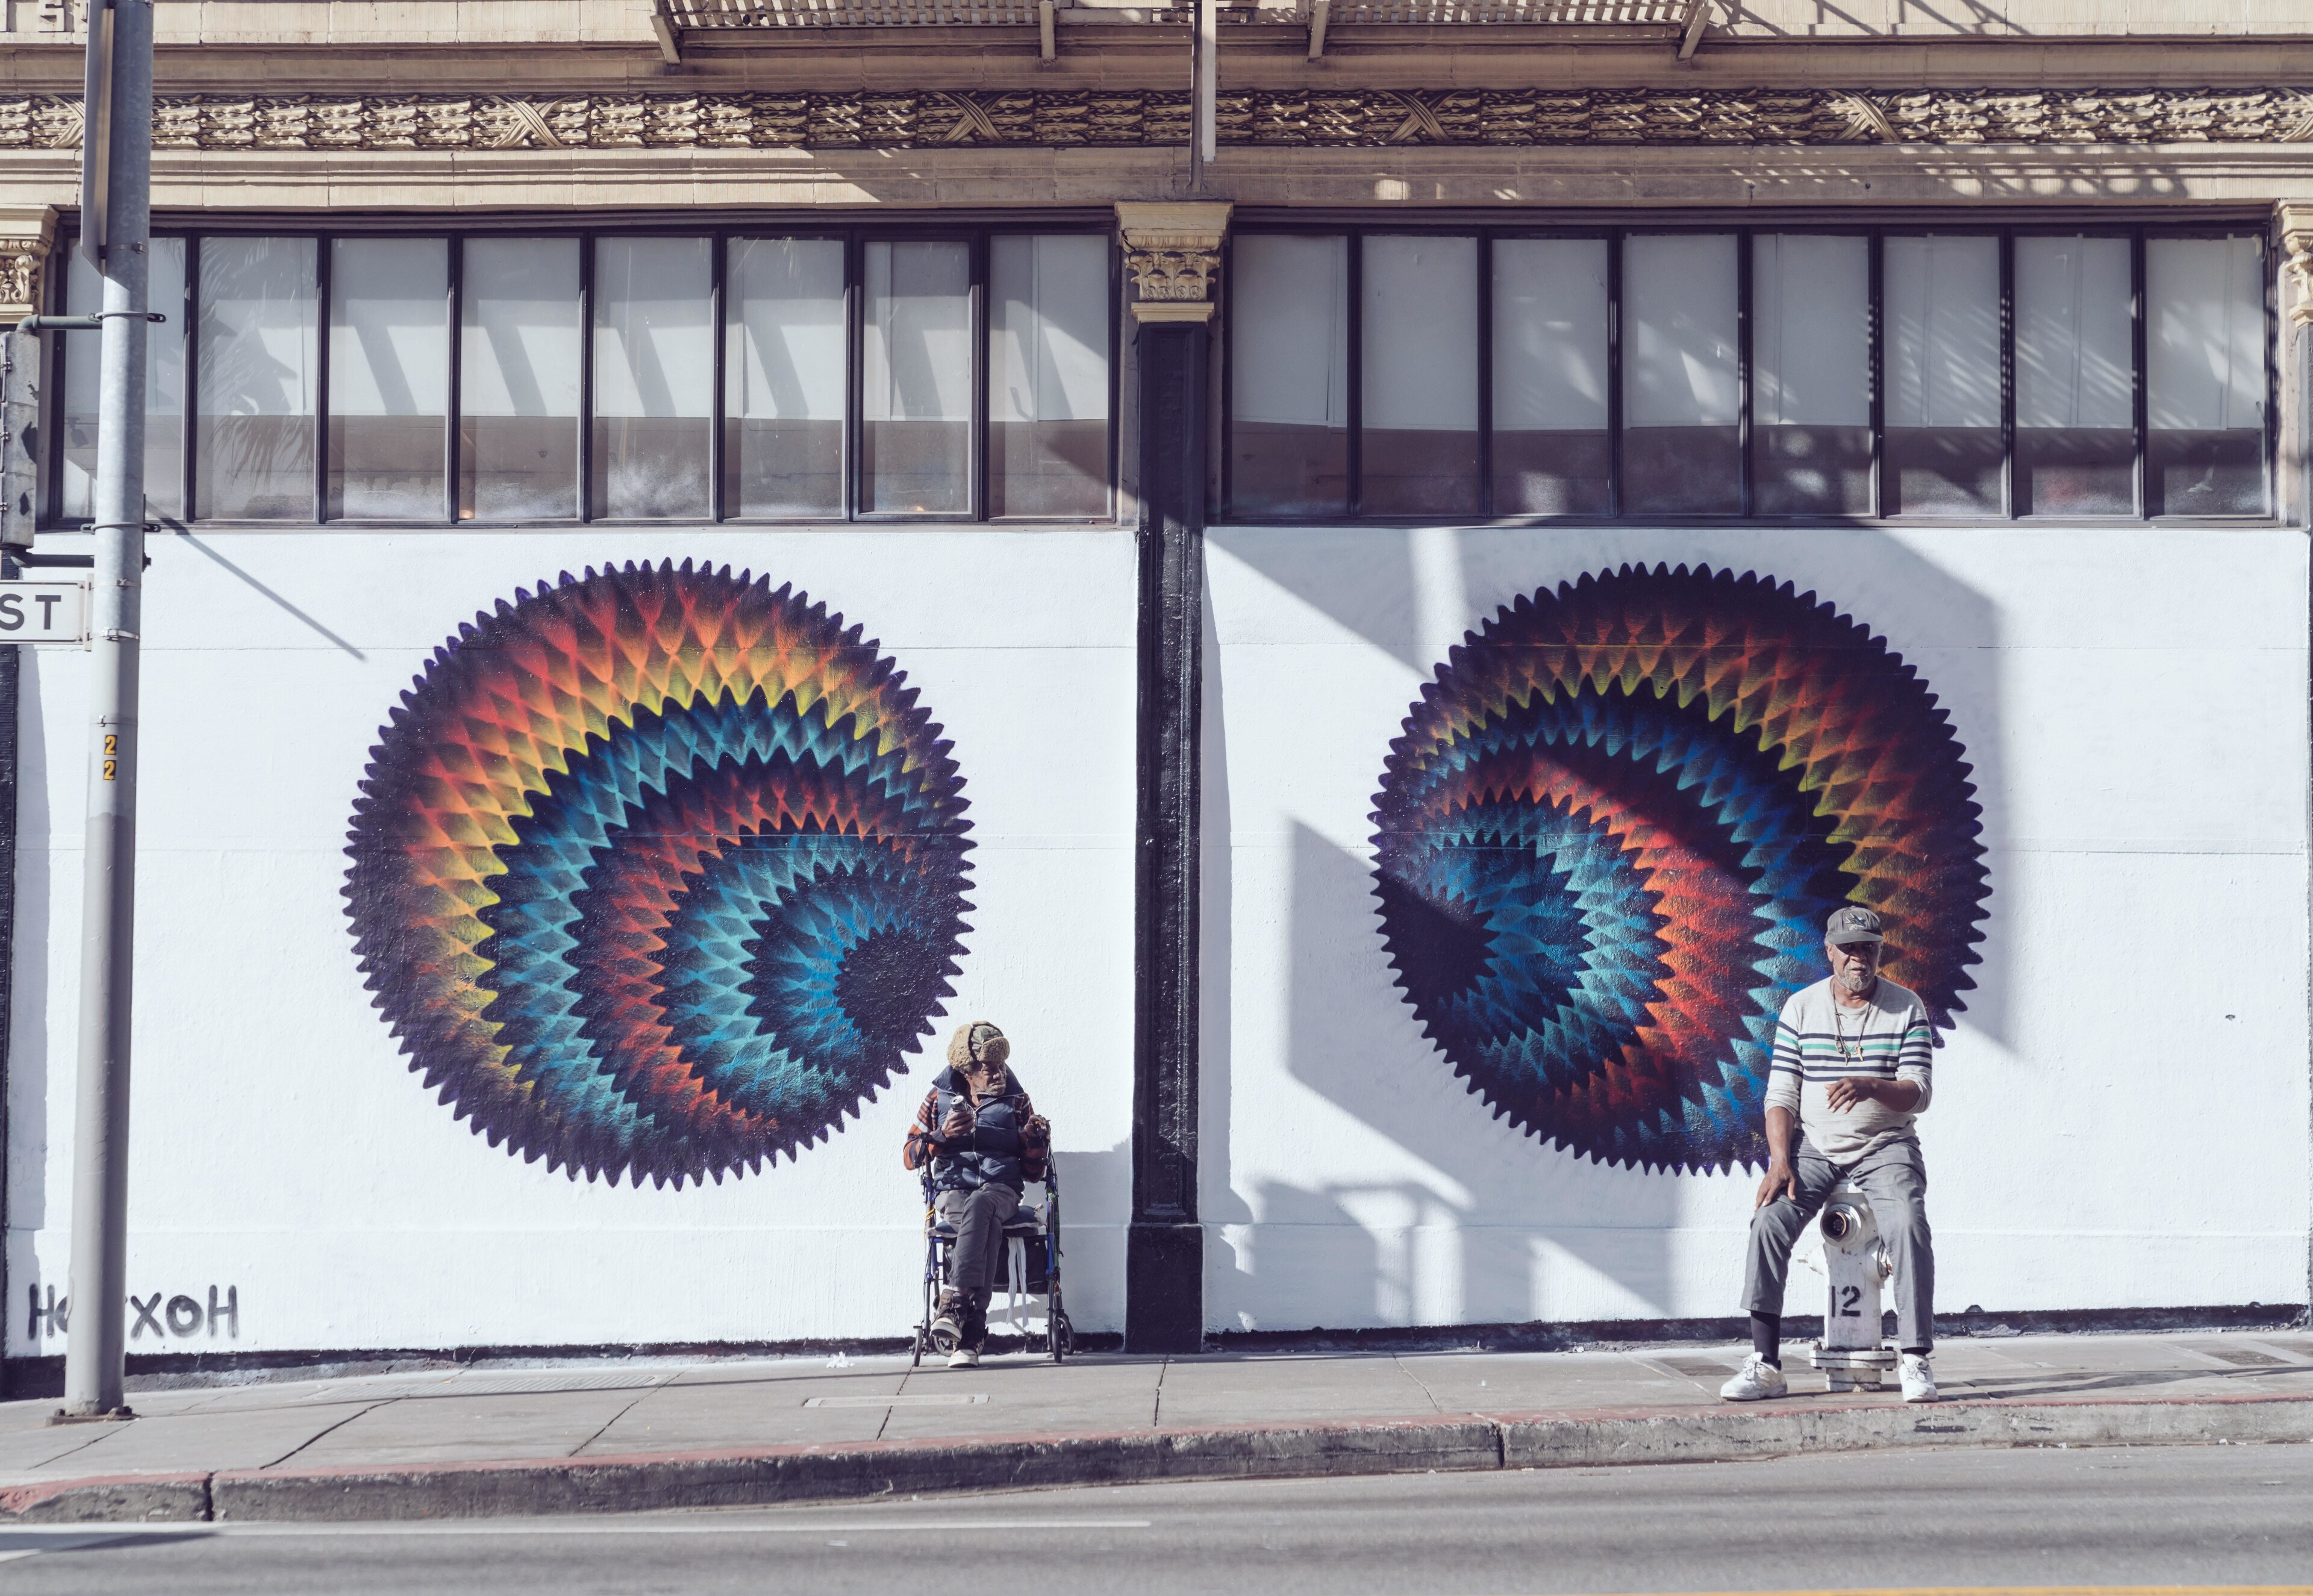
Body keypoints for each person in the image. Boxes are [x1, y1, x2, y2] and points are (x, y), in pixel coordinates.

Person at [1721, 906, 1940, 1405]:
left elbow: (1920, 1094)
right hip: (1815, 1144)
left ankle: (1915, 1357)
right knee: (1769, 1221)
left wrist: (1870, 1085)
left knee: (1907, 1222)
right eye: (1848, 948)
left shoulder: (1907, 1008)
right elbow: (1781, 1095)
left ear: (1880, 951)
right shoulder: (1801, 1007)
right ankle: (1766, 1365)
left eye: (1868, 947)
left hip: (1887, 1143)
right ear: (1830, 951)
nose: (1857, 958)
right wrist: (1780, 1160)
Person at [902, 1021, 1051, 1368]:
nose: (999, 1074)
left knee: (982, 1204)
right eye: (989, 1069)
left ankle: (953, 1303)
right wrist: (940, 1136)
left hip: (1001, 1190)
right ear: (967, 1072)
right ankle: (971, 1335)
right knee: (982, 1222)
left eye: (1001, 1065)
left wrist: (1034, 1140)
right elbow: (909, 1155)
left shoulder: (1017, 1101)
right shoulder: (938, 1099)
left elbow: (1033, 1173)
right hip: (954, 1190)